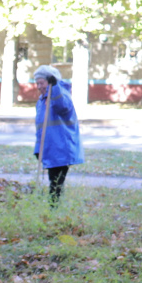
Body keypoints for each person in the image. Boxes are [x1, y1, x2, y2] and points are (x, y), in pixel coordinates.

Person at [33, 65, 84, 204]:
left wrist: (54, 87)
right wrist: (38, 148)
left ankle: (53, 208)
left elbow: (62, 107)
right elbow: (41, 128)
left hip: (62, 146)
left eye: (41, 83)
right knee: (53, 179)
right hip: (50, 147)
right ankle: (53, 206)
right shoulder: (42, 100)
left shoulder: (61, 95)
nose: (38, 86)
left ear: (51, 81)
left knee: (56, 181)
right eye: (37, 83)